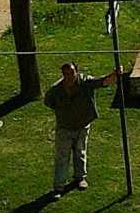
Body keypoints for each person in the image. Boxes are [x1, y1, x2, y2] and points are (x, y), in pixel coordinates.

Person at [43, 59, 125, 193]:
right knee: (62, 158)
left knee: (80, 153)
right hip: (64, 128)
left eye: (72, 73)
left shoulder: (85, 82)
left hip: (82, 126)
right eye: (66, 74)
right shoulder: (56, 90)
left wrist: (115, 74)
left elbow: (102, 82)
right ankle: (58, 187)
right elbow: (49, 102)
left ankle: (80, 178)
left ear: (77, 72)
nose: (69, 77)